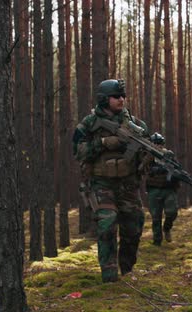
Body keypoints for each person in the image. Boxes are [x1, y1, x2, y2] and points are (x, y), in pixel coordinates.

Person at [72, 79, 149, 283]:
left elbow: (146, 152)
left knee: (134, 227)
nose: (121, 99)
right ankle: (109, 274)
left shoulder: (136, 125)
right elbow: (78, 152)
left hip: (128, 184)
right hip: (101, 183)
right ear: (104, 99)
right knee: (107, 223)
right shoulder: (89, 124)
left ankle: (126, 268)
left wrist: (151, 155)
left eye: (123, 95)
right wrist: (104, 142)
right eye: (116, 96)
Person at [144, 132, 180, 246]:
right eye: (155, 144)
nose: (157, 146)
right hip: (154, 189)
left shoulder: (168, 154)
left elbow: (177, 167)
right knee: (155, 217)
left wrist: (172, 172)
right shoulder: (148, 155)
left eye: (159, 144)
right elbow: (142, 168)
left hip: (168, 188)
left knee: (172, 212)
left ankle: (167, 228)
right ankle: (157, 240)